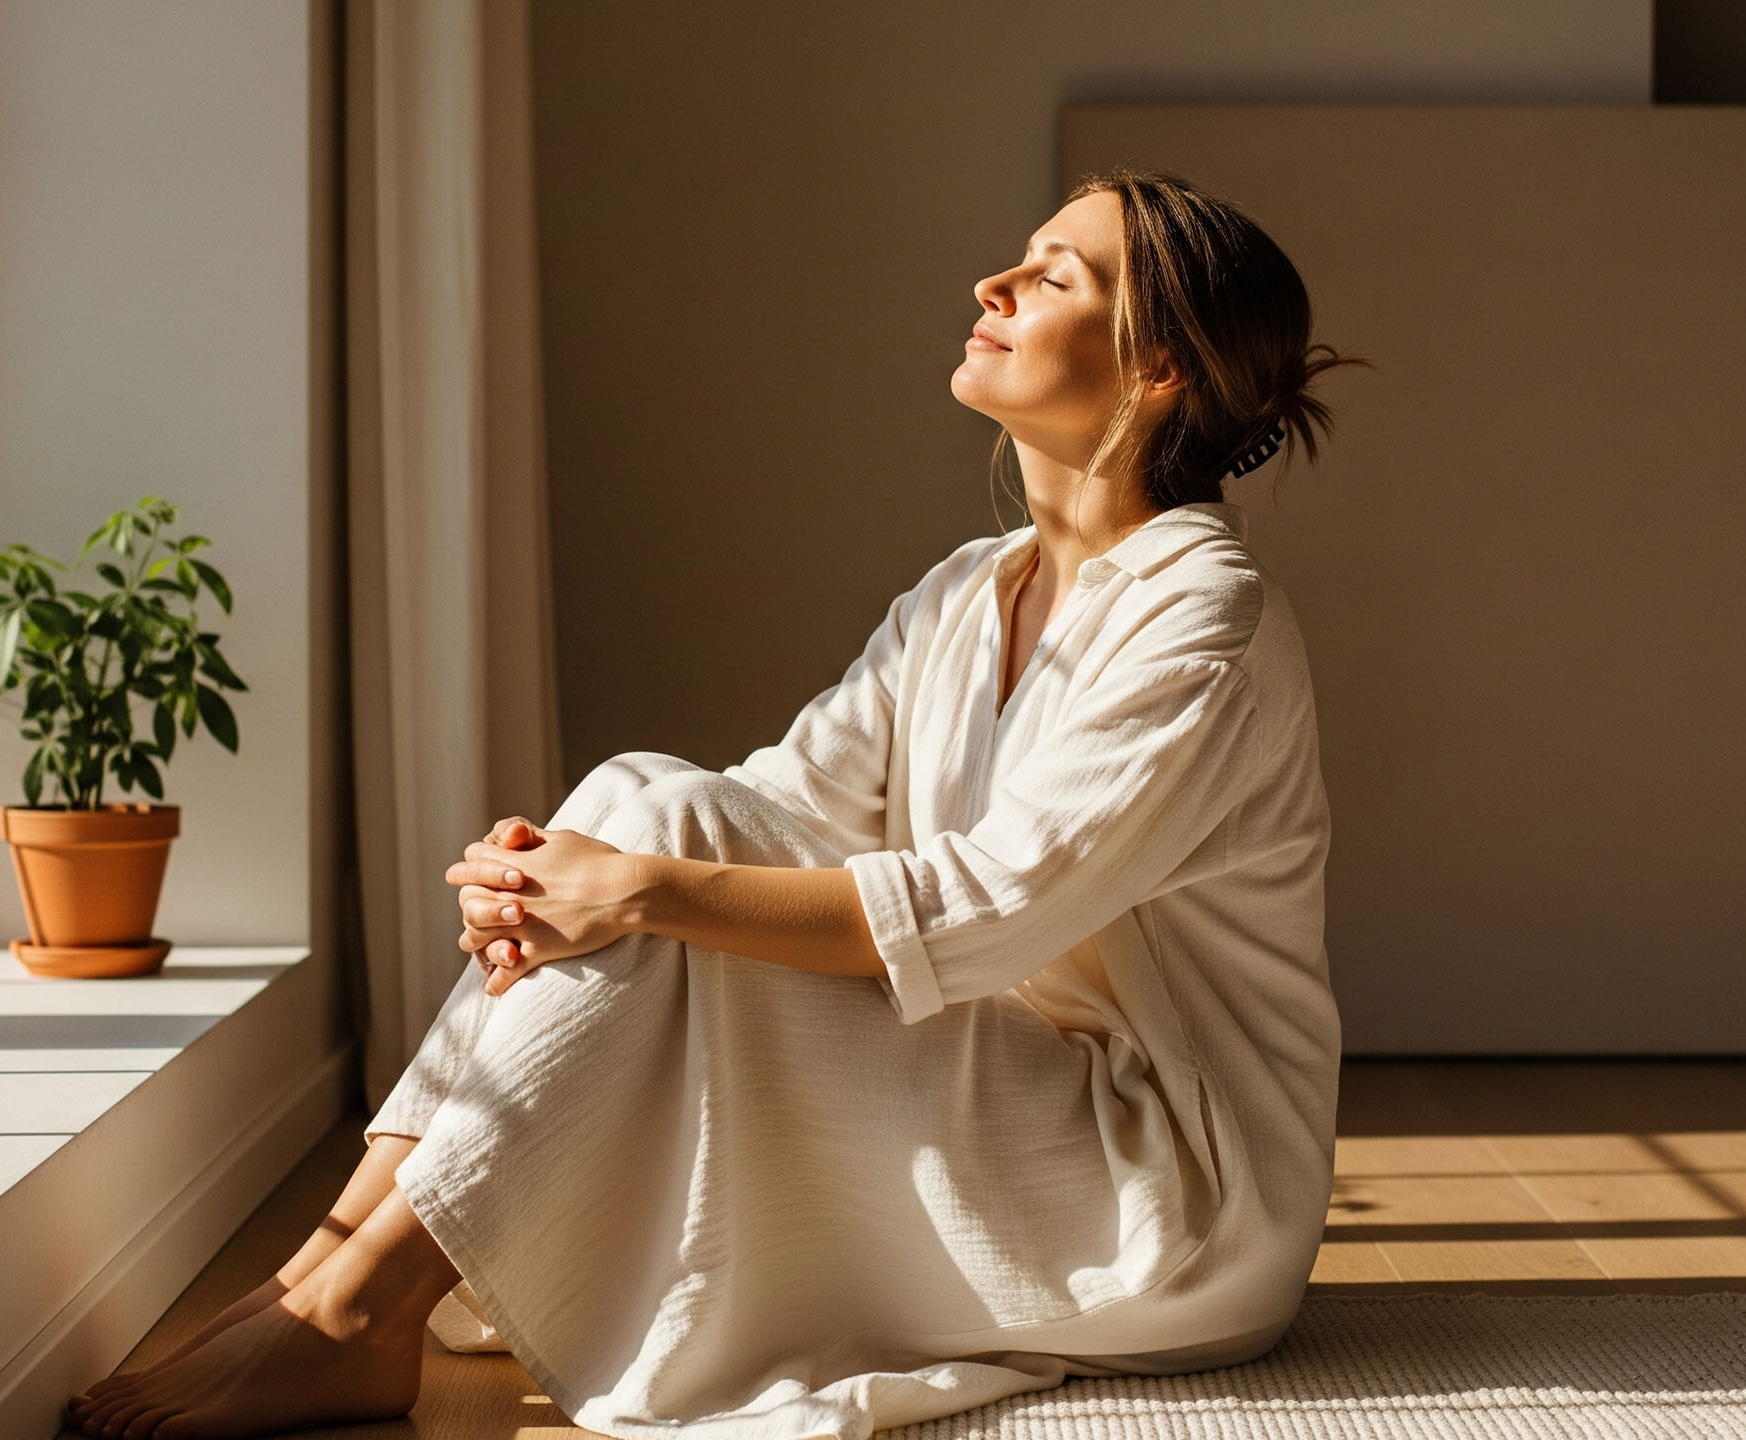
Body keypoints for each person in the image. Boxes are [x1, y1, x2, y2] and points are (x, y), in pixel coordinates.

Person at [66, 169, 1359, 1440]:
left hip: (1167, 1197)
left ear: (1156, 368)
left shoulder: (1205, 615)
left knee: (653, 849)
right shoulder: (974, 590)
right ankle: (325, 1276)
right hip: (1011, 1099)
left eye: (1052, 276)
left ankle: (355, 1303)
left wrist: (629, 889)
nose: (993, 283)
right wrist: (558, 874)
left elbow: (984, 914)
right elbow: (776, 805)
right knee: (640, 796)